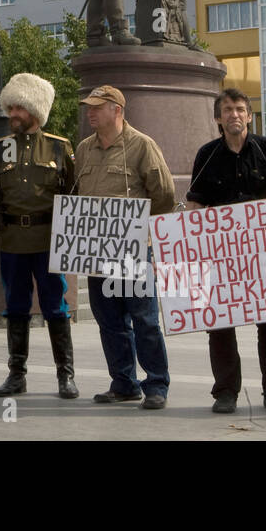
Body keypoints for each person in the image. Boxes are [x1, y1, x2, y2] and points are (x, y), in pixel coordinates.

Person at [184, 88, 266, 415]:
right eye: (227, 110)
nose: (234, 114)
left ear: (249, 115)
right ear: (218, 118)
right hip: (220, 257)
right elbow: (195, 202)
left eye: (239, 108)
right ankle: (225, 393)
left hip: (263, 255)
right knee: (219, 324)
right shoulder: (206, 154)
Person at [75, 85, 173, 409]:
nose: (90, 112)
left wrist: (138, 231)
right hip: (94, 252)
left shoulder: (142, 145)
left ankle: (156, 384)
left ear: (117, 110)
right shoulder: (84, 149)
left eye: (97, 107)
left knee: (144, 318)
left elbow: (164, 196)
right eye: (88, 107)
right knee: (110, 322)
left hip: (132, 252)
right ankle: (123, 383)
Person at [0, 72, 79, 398]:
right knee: (16, 307)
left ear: (35, 111)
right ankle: (16, 375)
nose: (12, 116)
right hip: (12, 242)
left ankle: (66, 376)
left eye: (19, 110)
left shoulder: (60, 148)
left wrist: (71, 237)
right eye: (10, 109)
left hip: (49, 240)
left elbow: (75, 195)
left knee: (56, 307)